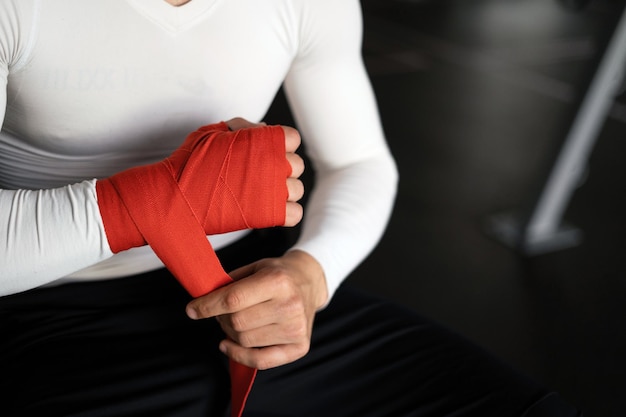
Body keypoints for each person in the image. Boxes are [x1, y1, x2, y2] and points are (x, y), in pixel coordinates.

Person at [0, 0, 581, 416]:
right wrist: (162, 201)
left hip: (248, 283)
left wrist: (309, 276)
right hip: (45, 307)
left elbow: (360, 163)